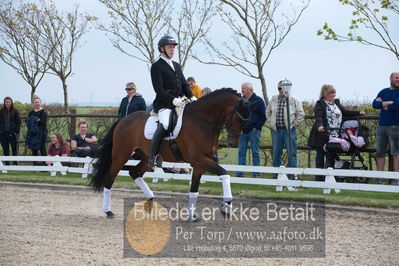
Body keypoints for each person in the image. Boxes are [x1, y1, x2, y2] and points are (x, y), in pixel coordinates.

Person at [149, 35, 195, 167]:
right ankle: (153, 156)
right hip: (164, 104)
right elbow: (159, 89)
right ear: (161, 49)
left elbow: (184, 84)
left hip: (181, 102)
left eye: (173, 47)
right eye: (170, 47)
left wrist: (192, 97)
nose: (172, 49)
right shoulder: (156, 66)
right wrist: (173, 100)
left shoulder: (176, 65)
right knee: (165, 123)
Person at [308, 84, 365, 181]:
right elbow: (319, 116)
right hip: (323, 133)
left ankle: (330, 176)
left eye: (334, 93)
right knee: (321, 154)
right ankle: (319, 177)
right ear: (325, 94)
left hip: (335, 134)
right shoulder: (320, 103)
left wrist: (358, 112)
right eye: (331, 93)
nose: (333, 95)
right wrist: (320, 126)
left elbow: (344, 112)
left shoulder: (336, 102)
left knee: (331, 154)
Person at [266, 81, 305, 176]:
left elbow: (301, 114)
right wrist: (271, 123)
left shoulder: (293, 99)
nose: (281, 90)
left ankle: (292, 175)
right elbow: (267, 112)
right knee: (276, 154)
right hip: (277, 130)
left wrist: (294, 125)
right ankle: (277, 175)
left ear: (287, 89)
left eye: (283, 88)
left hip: (289, 131)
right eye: (279, 88)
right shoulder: (274, 99)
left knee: (292, 154)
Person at [372, 72, 399, 185]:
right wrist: (387, 103)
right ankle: (379, 178)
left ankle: (396, 179)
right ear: (391, 78)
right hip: (381, 126)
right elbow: (374, 104)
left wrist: (383, 104)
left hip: (395, 126)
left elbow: (396, 106)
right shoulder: (383, 91)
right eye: (396, 77)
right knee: (380, 153)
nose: (398, 79)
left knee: (396, 153)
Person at [236, 82, 266, 177]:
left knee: (255, 152)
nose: (242, 90)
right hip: (242, 131)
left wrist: (256, 127)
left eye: (244, 88)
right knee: (241, 152)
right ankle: (240, 173)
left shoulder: (259, 100)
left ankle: (256, 173)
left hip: (254, 131)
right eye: (242, 88)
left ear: (250, 90)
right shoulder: (241, 101)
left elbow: (263, 116)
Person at [0, 97, 21, 165]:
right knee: (5, 150)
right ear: (4, 103)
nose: (8, 103)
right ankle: (7, 165)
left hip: (13, 134)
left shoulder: (15, 111)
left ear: (11, 102)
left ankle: (15, 164)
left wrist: (16, 132)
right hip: (3, 134)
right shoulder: (1, 111)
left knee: (14, 150)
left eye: (9, 101)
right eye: (6, 102)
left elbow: (18, 122)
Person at [26, 96, 48, 161]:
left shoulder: (44, 112)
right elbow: (27, 121)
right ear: (33, 103)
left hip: (42, 132)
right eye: (35, 102)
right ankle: (35, 165)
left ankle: (44, 165)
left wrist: (33, 120)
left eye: (38, 102)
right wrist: (36, 120)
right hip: (33, 133)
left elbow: (43, 122)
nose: (37, 104)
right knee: (34, 149)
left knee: (42, 148)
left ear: (40, 103)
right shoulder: (31, 112)